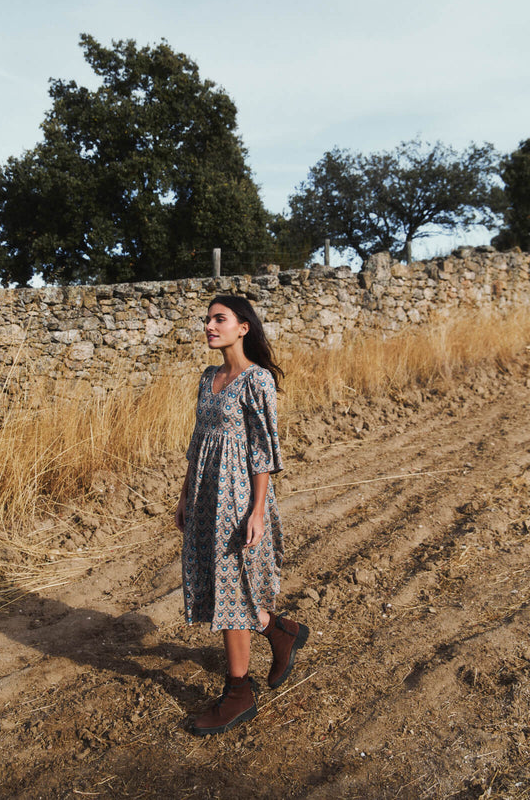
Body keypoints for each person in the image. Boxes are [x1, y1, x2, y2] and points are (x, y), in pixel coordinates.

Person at [175, 295, 308, 735]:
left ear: (242, 327)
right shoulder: (207, 377)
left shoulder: (258, 381)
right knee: (219, 584)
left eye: (219, 319)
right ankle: (279, 630)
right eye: (208, 320)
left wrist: (257, 510)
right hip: (205, 493)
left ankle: (239, 694)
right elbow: (198, 440)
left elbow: (263, 450)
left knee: (232, 588)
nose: (209, 326)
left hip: (237, 497)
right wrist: (184, 494)